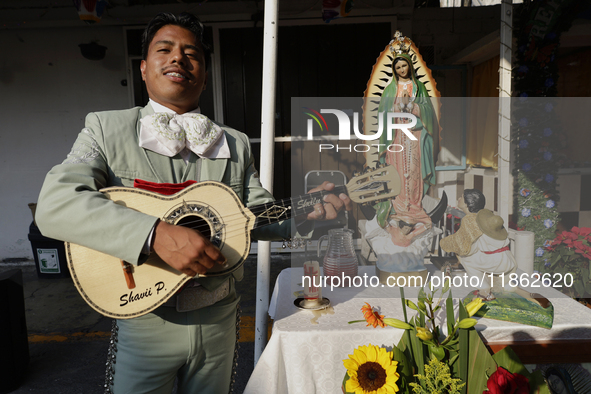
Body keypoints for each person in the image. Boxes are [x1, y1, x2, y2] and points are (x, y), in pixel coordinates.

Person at [35, 12, 350, 394]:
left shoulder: (233, 142)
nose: (178, 59)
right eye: (164, 50)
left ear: (203, 72)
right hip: (145, 318)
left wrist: (310, 214)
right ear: (144, 69)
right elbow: (55, 203)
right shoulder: (106, 128)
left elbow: (257, 215)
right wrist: (152, 235)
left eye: (191, 54)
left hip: (220, 319)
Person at [373, 48, 439, 247]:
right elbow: (383, 114)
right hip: (396, 137)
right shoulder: (390, 89)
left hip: (416, 136)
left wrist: (413, 107)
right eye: (398, 67)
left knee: (414, 171)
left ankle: (414, 208)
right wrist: (395, 108)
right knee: (399, 172)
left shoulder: (419, 87)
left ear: (409, 65)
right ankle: (398, 209)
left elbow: (428, 111)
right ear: (394, 70)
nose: (402, 69)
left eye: (404, 65)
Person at [440, 189, 516, 300]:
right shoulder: (484, 217)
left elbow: (464, 245)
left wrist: (445, 243)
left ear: (467, 203)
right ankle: (492, 286)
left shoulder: (469, 220)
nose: (458, 199)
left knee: (465, 257)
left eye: (461, 197)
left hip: (497, 261)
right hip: (508, 258)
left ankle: (484, 290)